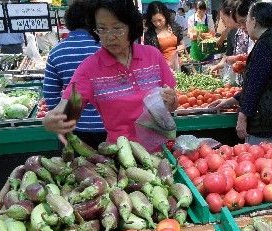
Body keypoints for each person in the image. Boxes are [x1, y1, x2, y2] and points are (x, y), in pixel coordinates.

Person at [42, 0, 178, 150]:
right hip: (122, 155)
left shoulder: (153, 56)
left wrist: (171, 101)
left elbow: (172, 105)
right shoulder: (90, 68)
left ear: (131, 27)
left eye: (117, 28)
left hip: (163, 150)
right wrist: (54, 118)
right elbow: (69, 106)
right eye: (102, 29)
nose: (110, 36)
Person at [211, 2, 272, 145]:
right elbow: (259, 81)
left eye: (246, 20)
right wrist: (232, 100)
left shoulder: (264, 46)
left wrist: (242, 117)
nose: (244, 25)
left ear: (254, 21)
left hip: (262, 118)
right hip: (270, 114)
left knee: (259, 157)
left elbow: (255, 86)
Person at [43, 0, 106, 149]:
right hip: (109, 126)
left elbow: (50, 95)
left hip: (73, 127)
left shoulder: (57, 52)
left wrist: (63, 117)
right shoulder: (106, 47)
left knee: (76, 169)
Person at [144, 2, 184, 70]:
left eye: (160, 20)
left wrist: (181, 47)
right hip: (162, 69)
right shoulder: (149, 35)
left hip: (179, 66)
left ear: (165, 16)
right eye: (154, 21)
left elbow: (181, 43)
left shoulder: (174, 27)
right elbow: (150, 56)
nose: (158, 24)